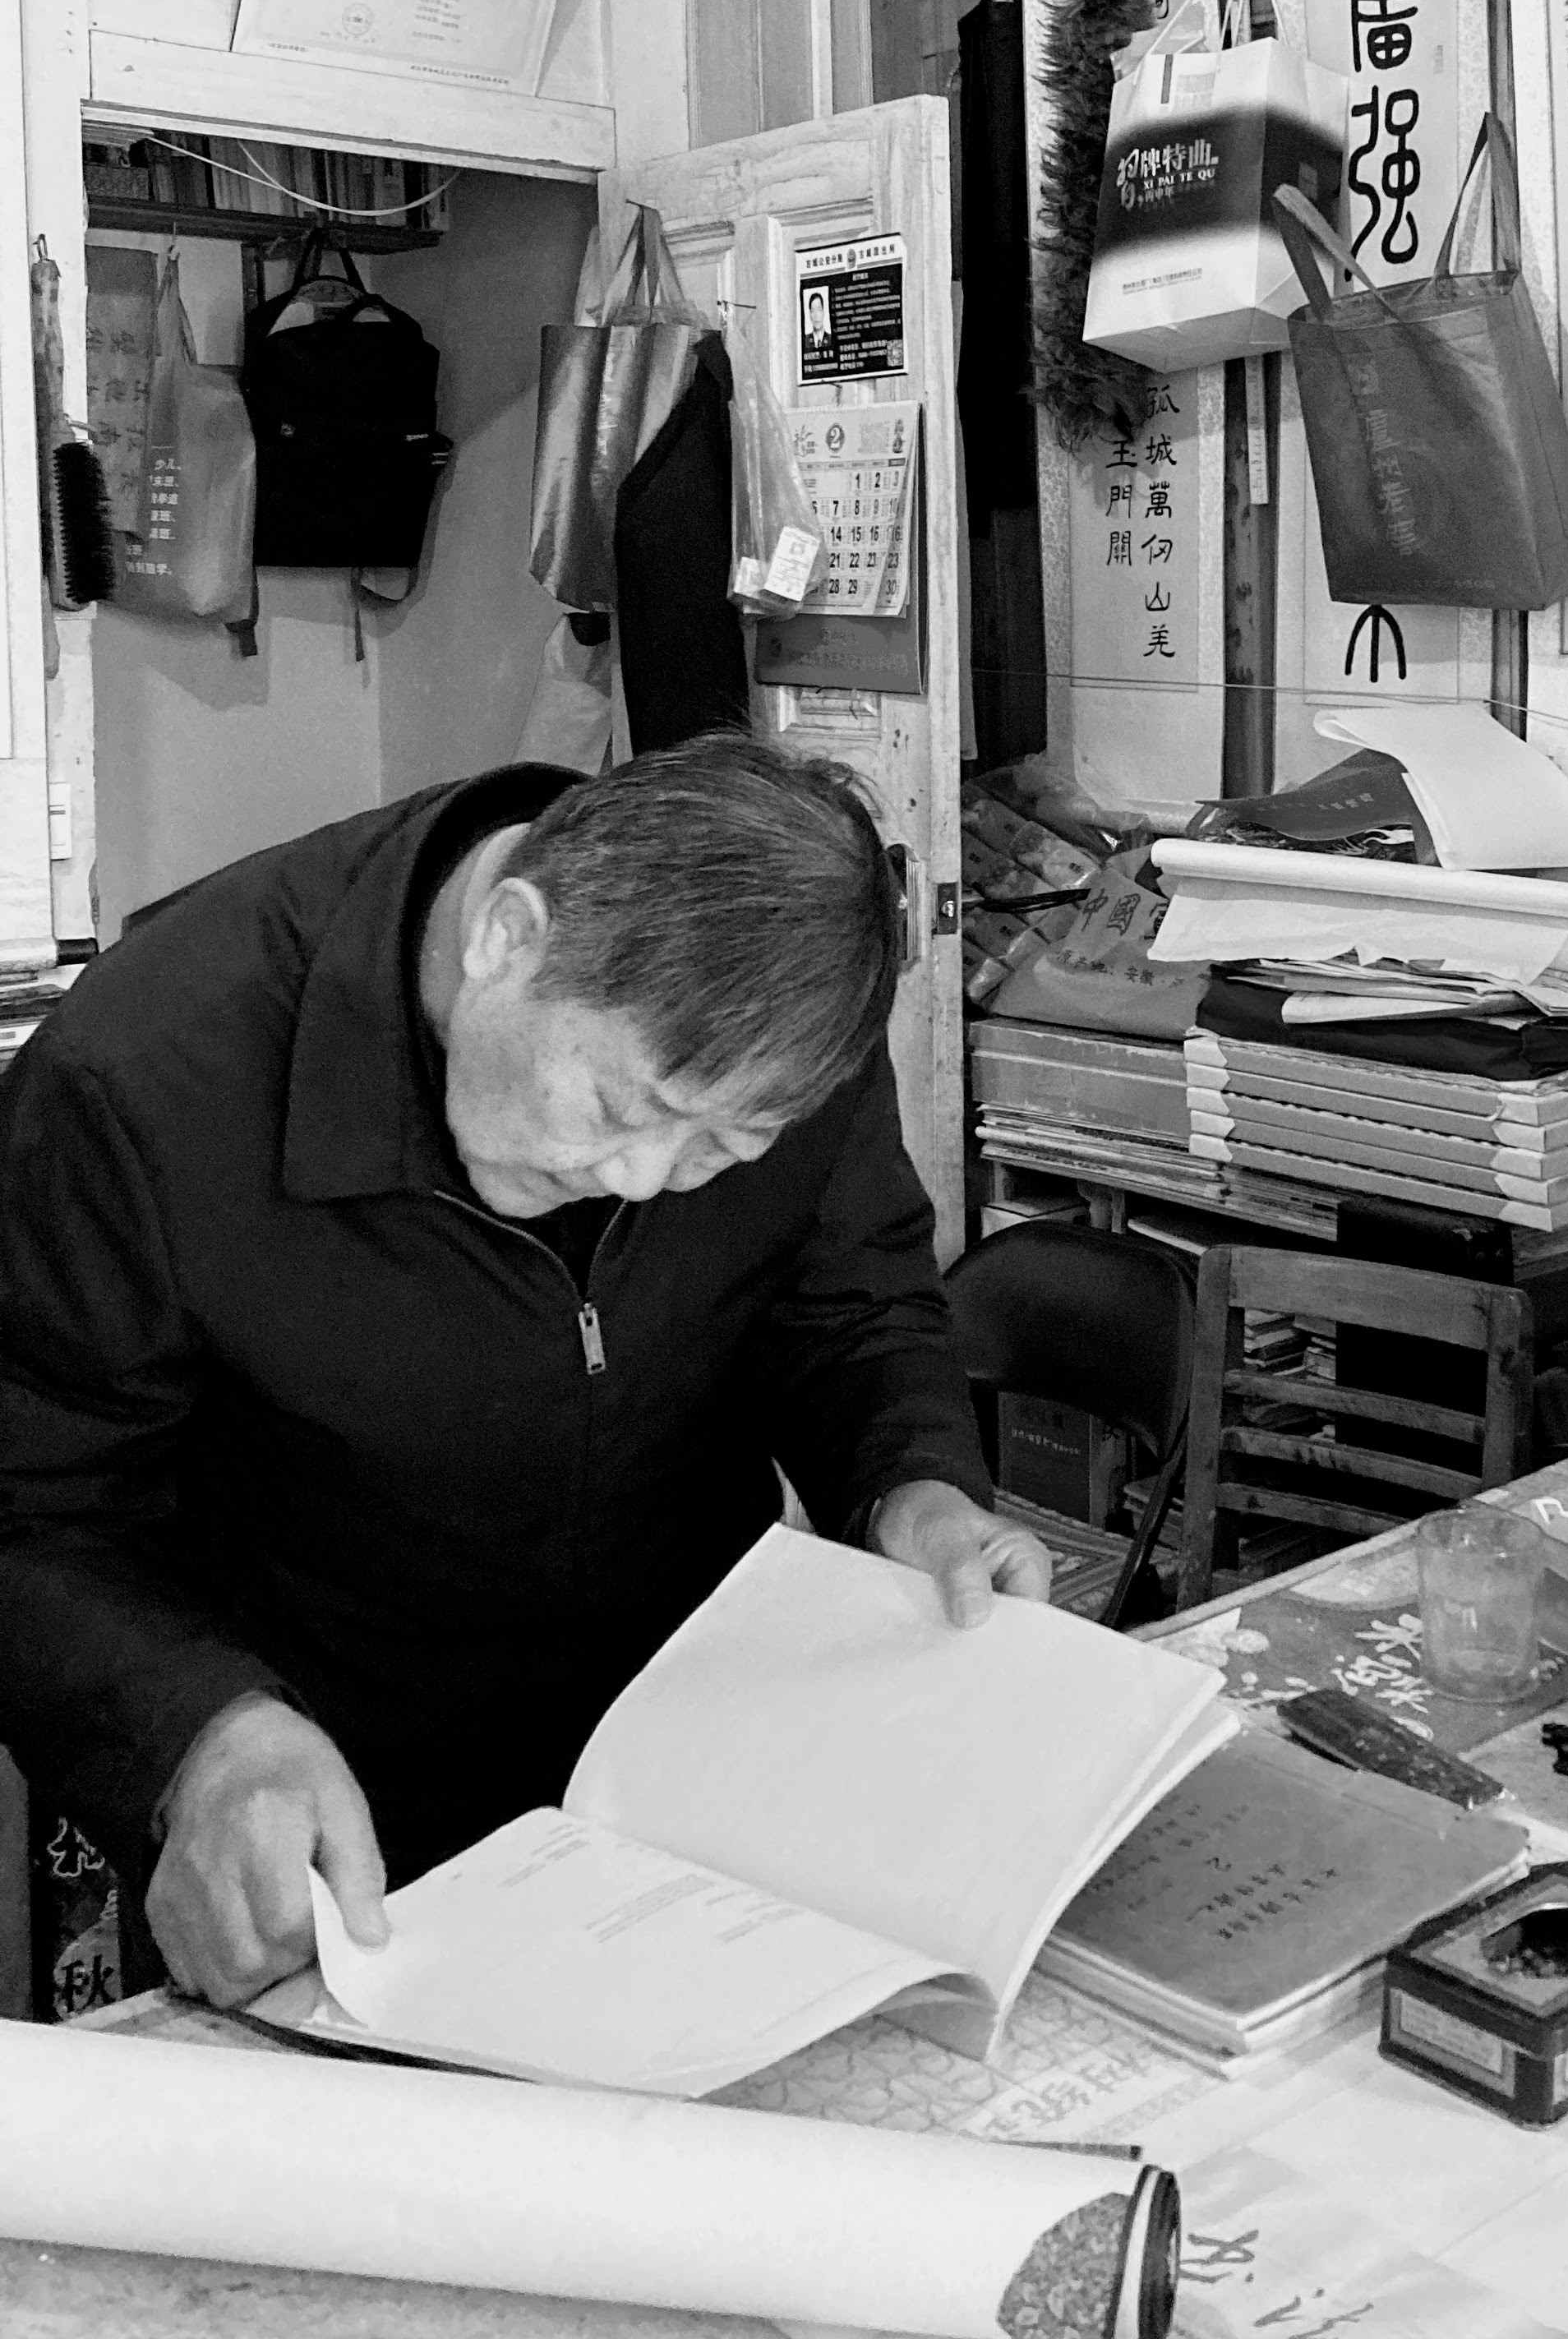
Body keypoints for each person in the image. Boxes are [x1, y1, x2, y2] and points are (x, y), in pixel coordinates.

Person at [0, 732, 1047, 2009]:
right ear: (508, 934)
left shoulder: (777, 1019)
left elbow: (849, 1313)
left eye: (724, 1144)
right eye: (618, 1110)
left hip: (693, 1798)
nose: (647, 1178)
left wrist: (914, 1489)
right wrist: (201, 1734)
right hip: (336, 1834)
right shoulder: (145, 1082)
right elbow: (32, 1512)